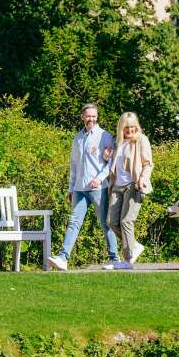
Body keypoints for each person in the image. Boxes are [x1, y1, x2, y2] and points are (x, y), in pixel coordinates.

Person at [49, 103, 119, 271]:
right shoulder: (77, 138)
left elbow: (111, 163)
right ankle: (63, 258)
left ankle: (114, 258)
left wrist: (100, 178)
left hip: (98, 188)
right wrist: (71, 188)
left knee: (105, 223)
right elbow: (74, 165)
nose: (91, 119)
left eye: (94, 116)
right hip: (80, 189)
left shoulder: (105, 136)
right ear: (82, 117)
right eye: (88, 116)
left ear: (97, 117)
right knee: (73, 222)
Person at [106, 112, 152, 270]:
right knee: (111, 222)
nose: (130, 131)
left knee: (126, 221)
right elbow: (114, 163)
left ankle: (128, 260)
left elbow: (148, 164)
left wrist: (143, 179)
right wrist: (107, 157)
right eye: (127, 128)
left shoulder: (141, 140)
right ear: (121, 128)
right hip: (117, 186)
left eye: (133, 127)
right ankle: (134, 246)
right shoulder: (118, 142)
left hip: (134, 185)